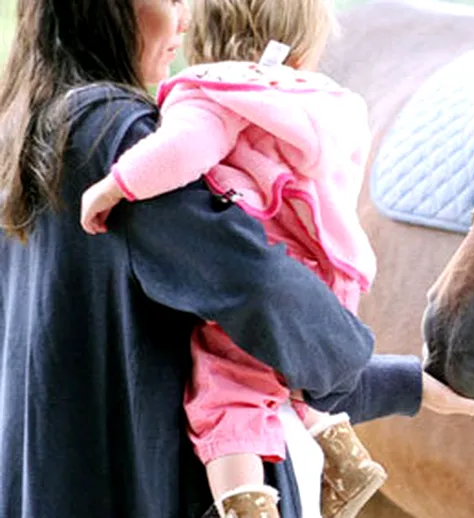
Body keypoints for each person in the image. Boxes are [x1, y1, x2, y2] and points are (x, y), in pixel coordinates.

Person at [0, 0, 474, 517]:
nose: (184, 16)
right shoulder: (123, 141)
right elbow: (257, 289)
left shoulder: (22, 132)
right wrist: (380, 373)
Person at [76, 0, 410, 515]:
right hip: (332, 274)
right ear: (303, 47)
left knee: (224, 394)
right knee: (286, 375)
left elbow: (184, 149)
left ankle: (244, 505)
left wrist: (114, 186)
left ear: (204, 39)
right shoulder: (325, 101)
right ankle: (344, 456)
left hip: (270, 266)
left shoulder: (218, 93)